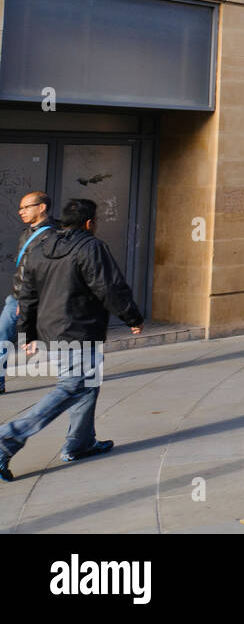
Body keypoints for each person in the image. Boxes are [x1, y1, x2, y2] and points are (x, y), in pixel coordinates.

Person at [0, 199, 143, 481]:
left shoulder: (42, 246)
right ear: (89, 223)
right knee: (72, 387)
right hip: (78, 330)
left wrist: (28, 333)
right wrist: (132, 318)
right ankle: (8, 439)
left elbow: (27, 293)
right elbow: (109, 287)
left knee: (88, 384)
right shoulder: (91, 247)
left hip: (51, 330)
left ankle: (80, 443)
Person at [3, 192, 57, 394]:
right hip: (15, 297)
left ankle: (72, 379)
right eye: (20, 208)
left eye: (26, 207)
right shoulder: (26, 233)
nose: (21, 212)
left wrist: (28, 301)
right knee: (2, 339)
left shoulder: (52, 236)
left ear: (41, 207)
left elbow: (44, 272)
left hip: (33, 300)